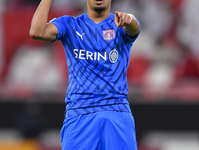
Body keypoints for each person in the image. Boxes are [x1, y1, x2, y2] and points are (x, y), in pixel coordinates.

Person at [29, 0, 141, 149]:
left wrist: (130, 19)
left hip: (116, 110)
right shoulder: (69, 24)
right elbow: (37, 32)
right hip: (80, 113)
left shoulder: (120, 23)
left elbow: (134, 28)